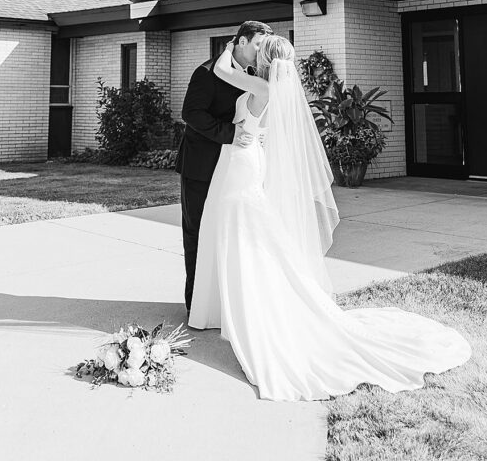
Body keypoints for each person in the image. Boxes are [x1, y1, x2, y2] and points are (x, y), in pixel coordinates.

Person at [188, 33, 471, 402]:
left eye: (260, 49)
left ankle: (251, 306)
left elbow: (224, 69)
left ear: (267, 61)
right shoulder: (278, 90)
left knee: (242, 231)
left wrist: (230, 45)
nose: (254, 53)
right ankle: (239, 303)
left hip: (241, 161)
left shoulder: (260, 85)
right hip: (248, 156)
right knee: (248, 232)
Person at [175, 20, 273, 315]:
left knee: (229, 235)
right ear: (241, 42)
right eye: (257, 44)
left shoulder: (253, 75)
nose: (260, 51)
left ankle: (223, 301)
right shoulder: (206, 72)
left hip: (234, 169)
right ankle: (197, 302)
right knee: (197, 233)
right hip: (201, 167)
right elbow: (190, 113)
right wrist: (231, 134)